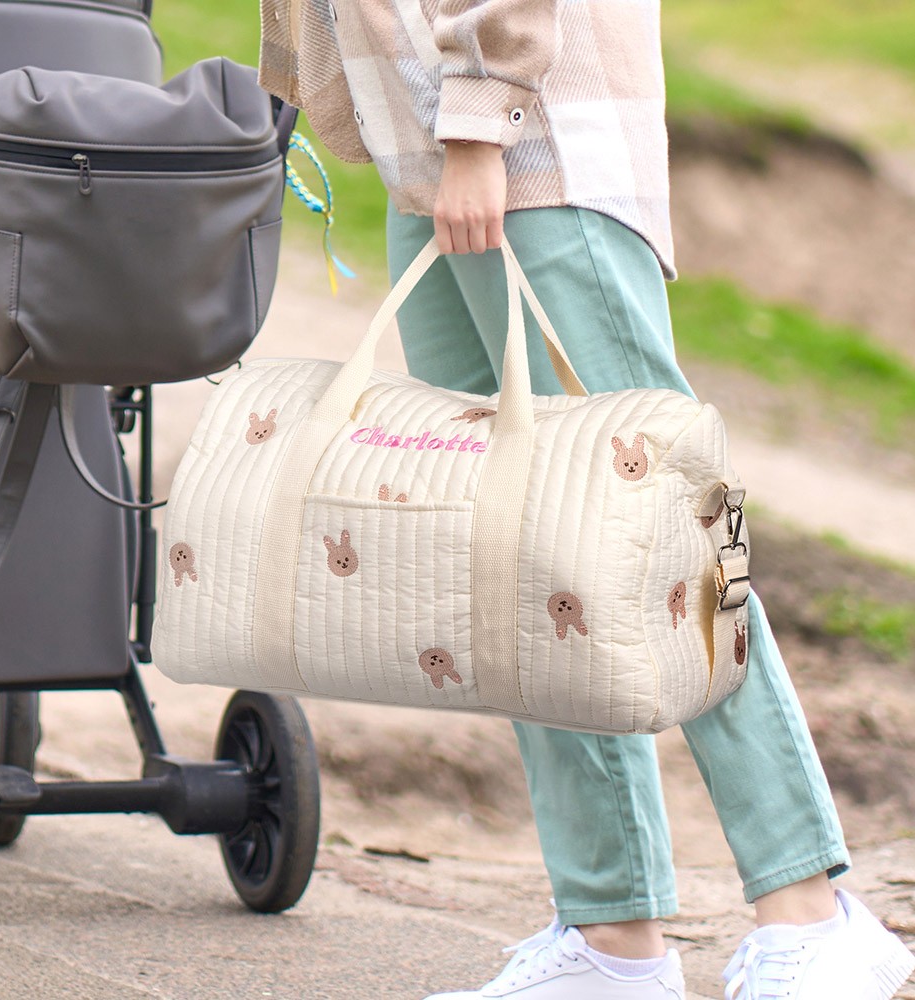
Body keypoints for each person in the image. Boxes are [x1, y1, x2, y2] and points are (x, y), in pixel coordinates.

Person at [258, 2, 915, 997]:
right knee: (517, 550)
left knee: (669, 527)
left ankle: (812, 913)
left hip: (530, 147)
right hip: (430, 155)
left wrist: (484, 118)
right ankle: (612, 939)